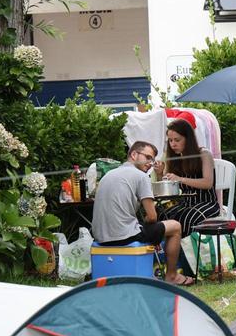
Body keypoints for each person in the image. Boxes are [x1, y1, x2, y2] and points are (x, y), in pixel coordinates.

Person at [92, 141, 193, 286]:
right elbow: (152, 217)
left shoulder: (108, 175)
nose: (150, 163)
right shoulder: (141, 176)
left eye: (152, 160)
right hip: (124, 237)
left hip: (100, 237)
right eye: (148, 157)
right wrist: (145, 221)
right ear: (134, 154)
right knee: (175, 226)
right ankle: (172, 276)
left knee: (142, 226)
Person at [154, 118, 221, 235]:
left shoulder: (204, 154)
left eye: (177, 140)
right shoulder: (175, 158)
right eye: (170, 140)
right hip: (185, 204)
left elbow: (207, 183)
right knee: (160, 213)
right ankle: (165, 246)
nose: (173, 144)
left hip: (206, 203)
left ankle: (185, 247)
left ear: (188, 139)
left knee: (186, 218)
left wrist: (180, 179)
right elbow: (170, 189)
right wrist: (160, 174)